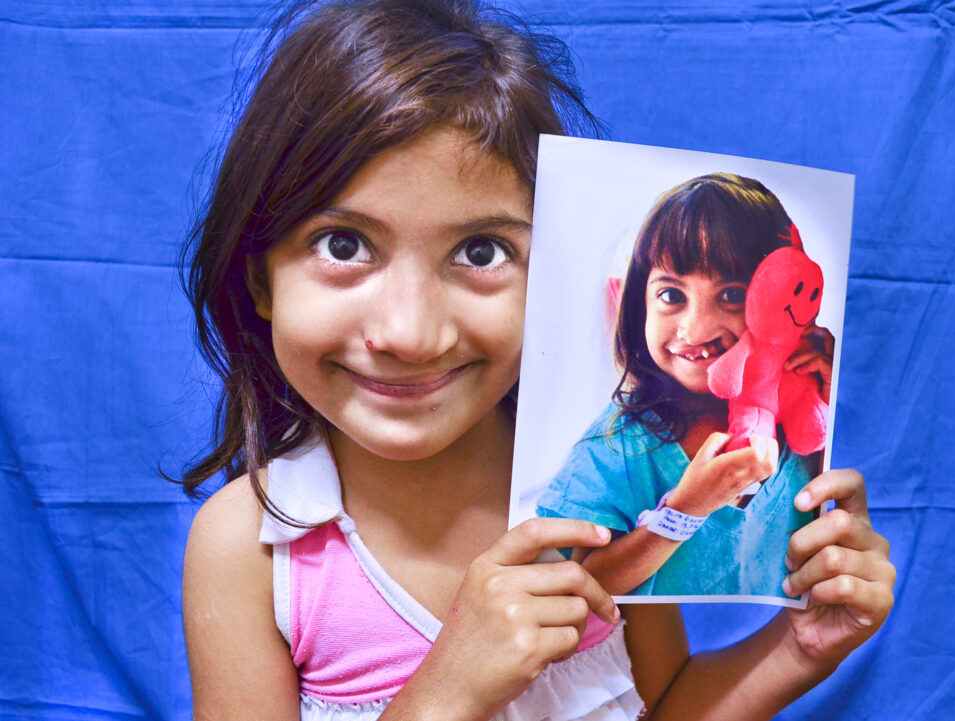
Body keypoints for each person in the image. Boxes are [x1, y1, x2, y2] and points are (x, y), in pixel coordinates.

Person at [180, 1, 896, 719]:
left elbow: (663, 706)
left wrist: (801, 644)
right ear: (260, 278)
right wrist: (445, 691)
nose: (410, 332)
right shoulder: (251, 549)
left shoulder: (593, 483)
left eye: (480, 252)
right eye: (343, 246)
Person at [536, 173, 835, 599]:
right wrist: (684, 511)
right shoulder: (614, 449)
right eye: (672, 296)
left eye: (732, 294)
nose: (695, 330)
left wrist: (834, 407)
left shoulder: (802, 415)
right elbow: (577, 586)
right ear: (641, 303)